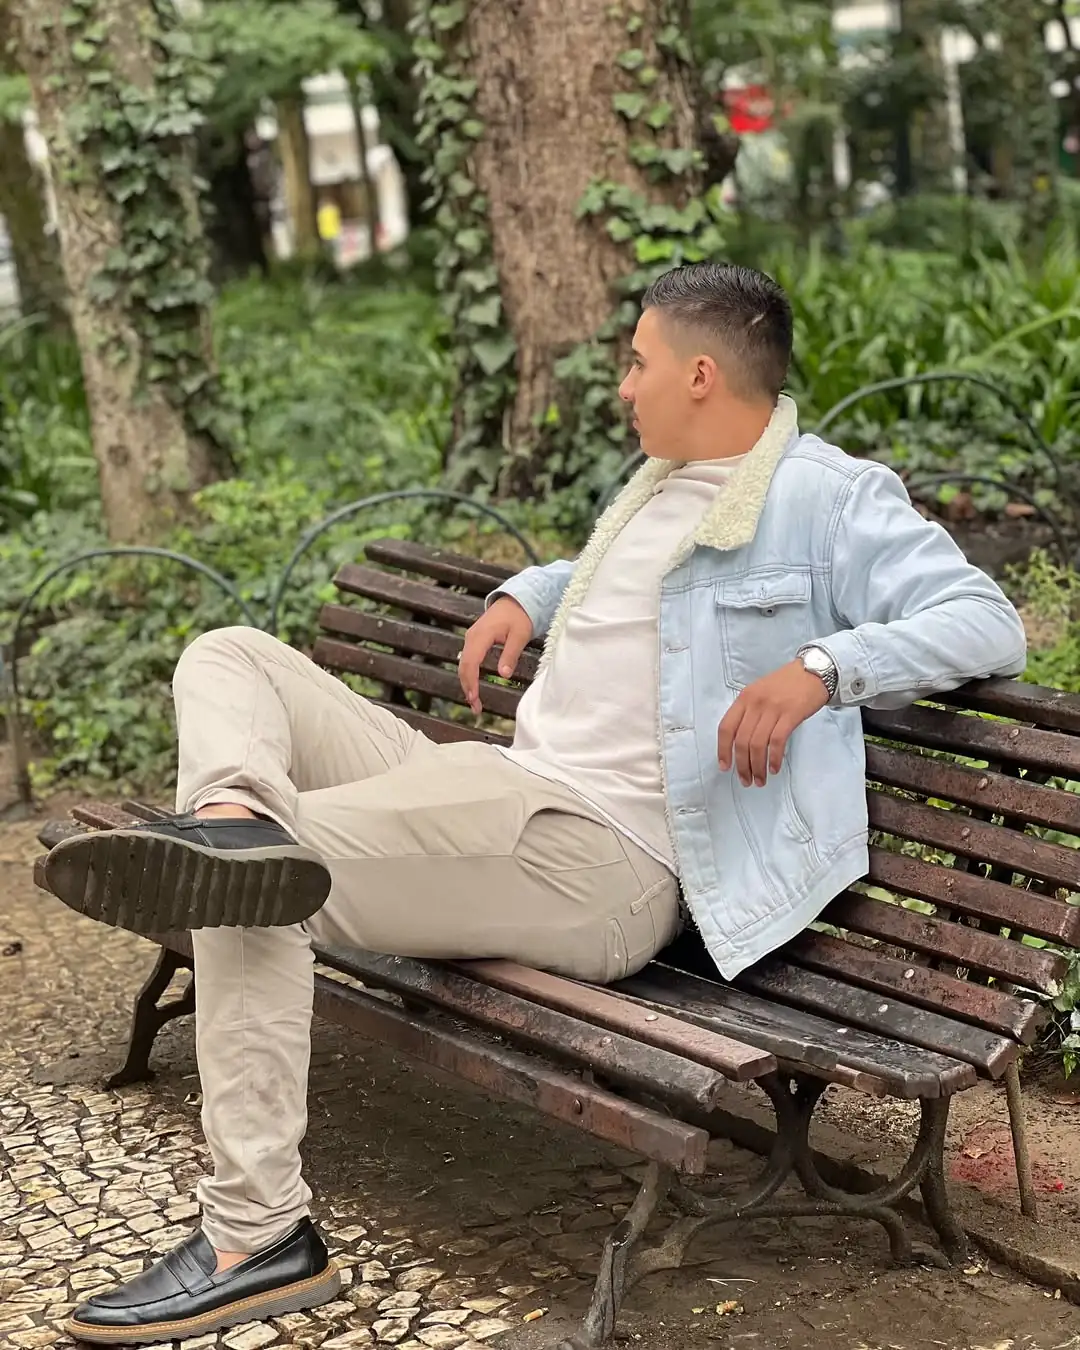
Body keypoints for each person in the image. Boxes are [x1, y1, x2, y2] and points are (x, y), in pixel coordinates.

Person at [44, 262, 1027, 1344]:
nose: (624, 385)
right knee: (231, 655)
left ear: (702, 374)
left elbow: (985, 620)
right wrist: (536, 590)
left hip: (603, 856)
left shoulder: (828, 497)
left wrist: (820, 668)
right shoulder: (662, 484)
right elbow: (653, 590)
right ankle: (231, 822)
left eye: (638, 363)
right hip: (498, 788)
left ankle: (254, 1235)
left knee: (264, 881)